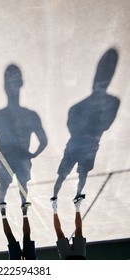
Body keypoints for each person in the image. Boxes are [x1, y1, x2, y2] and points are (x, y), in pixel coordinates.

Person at [51, 49, 120, 203]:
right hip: (83, 145)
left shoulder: (108, 103)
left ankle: (71, 195)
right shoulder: (83, 106)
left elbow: (104, 124)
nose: (101, 83)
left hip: (84, 145)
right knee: (67, 174)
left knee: (79, 173)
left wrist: (84, 131)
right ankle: (57, 196)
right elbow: (102, 125)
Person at [0, 64, 47, 208]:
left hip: (5, 159)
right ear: (21, 84)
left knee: (4, 185)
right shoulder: (30, 116)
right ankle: (23, 208)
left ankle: (3, 205)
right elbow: (43, 141)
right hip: (22, 159)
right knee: (22, 185)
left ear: (4, 87)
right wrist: (33, 154)